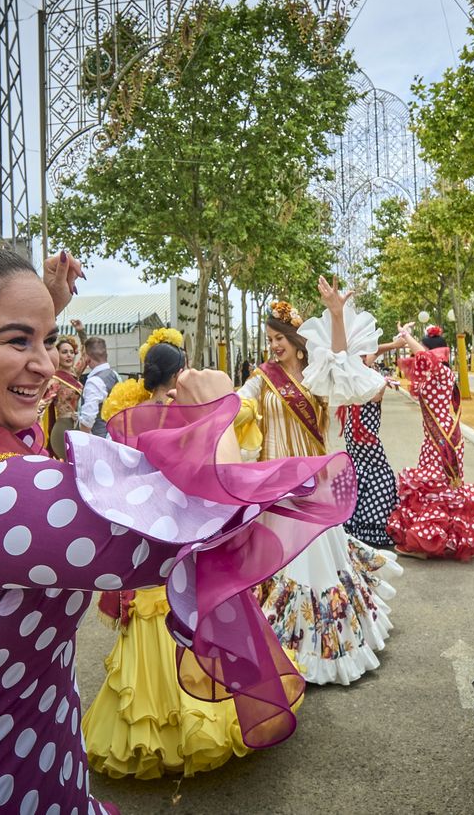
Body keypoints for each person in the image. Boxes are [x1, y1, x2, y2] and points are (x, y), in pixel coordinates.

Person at [0, 208, 355, 814]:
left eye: (47, 339)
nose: (48, 363)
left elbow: (9, 436)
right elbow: (216, 528)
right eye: (16, 340)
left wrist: (31, 311)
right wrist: (219, 415)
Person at [82, 329, 305, 780]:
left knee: (153, 631)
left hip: (149, 552)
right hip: (197, 545)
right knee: (206, 626)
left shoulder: (129, 417)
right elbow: (235, 469)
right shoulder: (204, 417)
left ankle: (158, 733)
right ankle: (210, 719)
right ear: (181, 372)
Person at [239, 298, 401, 686]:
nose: (274, 345)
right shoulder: (262, 378)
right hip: (274, 491)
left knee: (313, 567)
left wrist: (336, 313)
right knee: (278, 567)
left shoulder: (317, 376)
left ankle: (315, 656)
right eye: (270, 338)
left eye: (280, 338)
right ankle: (276, 650)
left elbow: (342, 361)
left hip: (311, 492)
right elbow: (241, 402)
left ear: (298, 341)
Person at [298, 278, 397, 550]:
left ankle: (373, 530)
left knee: (372, 484)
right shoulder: (333, 380)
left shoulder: (370, 384)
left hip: (369, 449)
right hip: (353, 451)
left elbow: (344, 363)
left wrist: (337, 314)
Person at [387, 323, 474, 560]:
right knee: (437, 486)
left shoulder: (438, 370)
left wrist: (406, 337)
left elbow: (424, 356)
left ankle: (428, 543)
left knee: (434, 486)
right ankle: (440, 539)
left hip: (442, 439)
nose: (418, 358)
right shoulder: (438, 372)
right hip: (438, 436)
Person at [77, 336, 117, 437]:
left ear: (87, 358)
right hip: (115, 435)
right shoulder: (114, 375)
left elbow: (87, 420)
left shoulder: (94, 382)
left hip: (99, 439)